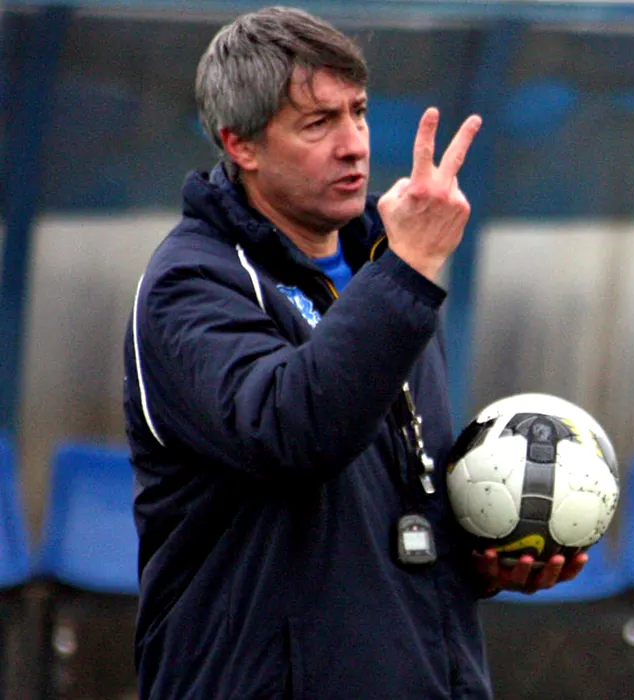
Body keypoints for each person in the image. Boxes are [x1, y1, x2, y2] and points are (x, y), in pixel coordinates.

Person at [123, 6, 587, 699]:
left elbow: (383, 508)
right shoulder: (192, 284)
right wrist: (407, 269)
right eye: (318, 123)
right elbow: (295, 432)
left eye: (359, 113)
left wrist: (480, 557)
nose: (354, 145)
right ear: (241, 145)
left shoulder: (380, 264)